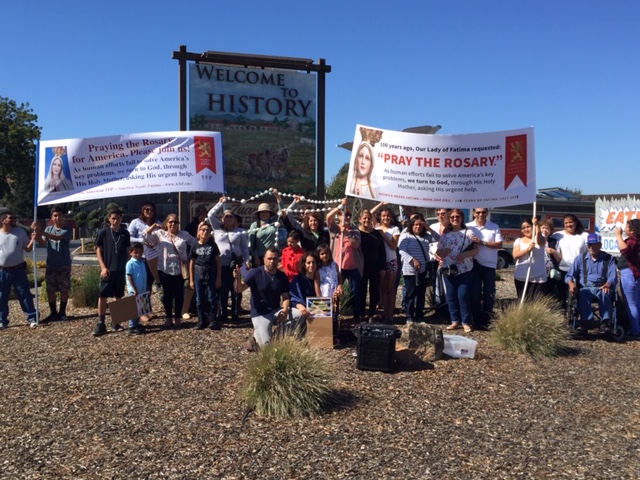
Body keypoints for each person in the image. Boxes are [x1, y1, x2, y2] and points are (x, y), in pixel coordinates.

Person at [233, 247, 303, 351]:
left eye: (274, 259)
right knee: (267, 348)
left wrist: (284, 310)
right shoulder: (255, 273)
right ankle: (257, 338)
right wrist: (237, 278)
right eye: (269, 258)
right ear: (264, 259)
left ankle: (275, 337)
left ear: (278, 260)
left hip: (276, 310)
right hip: (260, 314)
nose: (272, 261)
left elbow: (286, 297)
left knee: (299, 315)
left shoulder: (282, 276)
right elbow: (239, 289)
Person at [143, 213, 198, 329]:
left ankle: (177, 317)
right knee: (167, 294)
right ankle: (168, 317)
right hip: (164, 269)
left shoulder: (184, 235)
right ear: (166, 223)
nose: (173, 224)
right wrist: (153, 226)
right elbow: (145, 236)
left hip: (180, 269)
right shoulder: (161, 234)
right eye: (171, 222)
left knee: (179, 294)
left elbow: (195, 242)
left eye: (175, 222)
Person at [208, 200, 251, 323]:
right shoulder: (217, 228)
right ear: (222, 219)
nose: (228, 218)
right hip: (221, 264)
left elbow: (244, 247)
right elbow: (210, 215)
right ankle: (223, 313)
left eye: (231, 216)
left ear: (234, 219)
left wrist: (247, 260)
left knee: (236, 289)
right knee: (223, 289)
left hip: (236, 264)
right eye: (226, 216)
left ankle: (235, 313)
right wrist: (220, 203)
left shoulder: (240, 231)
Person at [566, 233, 617, 335]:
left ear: (600, 245)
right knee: (584, 293)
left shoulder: (608, 258)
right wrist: (571, 284)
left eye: (594, 244)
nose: (591, 247)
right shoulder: (580, 258)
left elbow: (613, 276)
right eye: (589, 245)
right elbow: (568, 276)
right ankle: (586, 322)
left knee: (605, 292)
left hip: (602, 286)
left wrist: (608, 284)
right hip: (586, 287)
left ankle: (605, 323)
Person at [436, 209, 478, 332]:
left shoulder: (469, 233)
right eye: (453, 217)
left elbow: (476, 250)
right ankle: (455, 321)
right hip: (449, 269)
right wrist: (443, 253)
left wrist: (464, 255)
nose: (455, 219)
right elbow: (438, 251)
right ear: (449, 219)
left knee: (463, 295)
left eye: (457, 216)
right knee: (451, 295)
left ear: (462, 218)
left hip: (465, 269)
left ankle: (466, 322)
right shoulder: (445, 235)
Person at [93, 209, 131, 337]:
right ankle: (101, 322)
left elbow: (127, 251)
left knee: (118, 295)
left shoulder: (125, 233)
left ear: (121, 219)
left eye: (118, 218)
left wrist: (127, 266)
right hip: (108, 269)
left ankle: (116, 321)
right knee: (103, 295)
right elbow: (98, 250)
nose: (116, 221)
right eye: (113, 218)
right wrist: (103, 267)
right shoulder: (103, 233)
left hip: (120, 269)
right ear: (109, 219)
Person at [32, 206, 72, 322]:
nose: (57, 218)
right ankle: (53, 312)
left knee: (64, 289)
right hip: (51, 264)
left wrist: (41, 231)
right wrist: (37, 235)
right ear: (51, 217)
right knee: (50, 289)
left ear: (63, 217)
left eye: (59, 215)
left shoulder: (67, 230)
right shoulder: (48, 229)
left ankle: (62, 312)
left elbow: (57, 238)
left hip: (63, 264)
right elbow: (43, 243)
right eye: (55, 215)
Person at [327, 199, 364, 321]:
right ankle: (335, 316)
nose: (346, 217)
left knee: (355, 292)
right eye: (344, 215)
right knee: (336, 292)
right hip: (338, 267)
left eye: (348, 215)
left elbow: (356, 244)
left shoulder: (355, 230)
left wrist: (347, 234)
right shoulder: (334, 228)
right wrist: (340, 207)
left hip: (353, 266)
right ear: (339, 216)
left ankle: (357, 316)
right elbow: (328, 216)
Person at [0, 209, 37, 329]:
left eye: (15, 218)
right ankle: (2, 320)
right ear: (3, 220)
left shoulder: (20, 232)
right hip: (2, 271)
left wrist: (32, 240)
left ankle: (32, 317)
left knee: (24, 294)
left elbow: (27, 249)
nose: (14, 220)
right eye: (11, 218)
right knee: (1, 296)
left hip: (18, 270)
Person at [467, 207, 503, 329]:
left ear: (487, 213)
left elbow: (499, 244)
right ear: (474, 213)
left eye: (483, 212)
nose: (481, 214)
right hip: (474, 263)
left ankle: (487, 320)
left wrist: (482, 243)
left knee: (489, 293)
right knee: (475, 294)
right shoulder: (468, 226)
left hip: (489, 265)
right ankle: (477, 320)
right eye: (478, 212)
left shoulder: (494, 226)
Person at [399, 217, 439, 323]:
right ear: (411, 225)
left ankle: (419, 315)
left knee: (421, 294)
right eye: (415, 225)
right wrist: (413, 260)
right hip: (410, 270)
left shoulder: (426, 237)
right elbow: (402, 251)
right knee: (410, 294)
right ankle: (409, 316)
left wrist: (428, 228)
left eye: (420, 225)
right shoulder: (406, 236)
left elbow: (439, 238)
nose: (418, 227)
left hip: (423, 270)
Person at [549, 214, 589, 309]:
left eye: (570, 222)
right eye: (566, 223)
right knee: (562, 294)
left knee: (579, 293)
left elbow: (589, 252)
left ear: (575, 223)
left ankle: (578, 315)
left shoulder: (584, 235)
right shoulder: (558, 235)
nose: (568, 225)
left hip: (579, 270)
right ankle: (563, 315)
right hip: (563, 268)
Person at [189, 221, 222, 330]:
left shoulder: (213, 245)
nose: (205, 232)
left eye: (208, 230)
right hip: (198, 272)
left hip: (211, 272)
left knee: (211, 297)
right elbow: (192, 262)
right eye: (203, 230)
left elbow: (218, 261)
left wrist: (218, 278)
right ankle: (201, 320)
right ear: (198, 232)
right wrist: (191, 279)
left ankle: (213, 319)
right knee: (199, 298)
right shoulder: (195, 245)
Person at [371, 203, 401, 321]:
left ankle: (390, 313)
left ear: (391, 217)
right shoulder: (376, 228)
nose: (385, 218)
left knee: (391, 288)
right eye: (383, 216)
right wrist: (380, 204)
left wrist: (383, 236)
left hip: (391, 261)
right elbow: (370, 213)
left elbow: (394, 246)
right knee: (382, 288)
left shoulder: (394, 229)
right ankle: (384, 313)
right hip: (380, 262)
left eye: (388, 216)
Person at [357, 209, 386, 321]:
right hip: (361, 267)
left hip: (375, 266)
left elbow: (382, 251)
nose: (367, 220)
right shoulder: (357, 233)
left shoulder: (377, 234)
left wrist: (383, 267)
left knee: (374, 291)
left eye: (369, 218)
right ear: (360, 219)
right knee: (361, 291)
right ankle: (361, 314)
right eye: (364, 218)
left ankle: (371, 313)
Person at [614, 219, 640, 338]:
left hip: (629, 274)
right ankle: (636, 328)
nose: (624, 228)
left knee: (631, 303)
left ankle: (635, 331)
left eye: (627, 226)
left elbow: (625, 251)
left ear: (632, 230)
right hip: (634, 274)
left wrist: (618, 235)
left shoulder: (633, 240)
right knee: (636, 302)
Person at [512, 217, 547, 300]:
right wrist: (527, 250)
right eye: (523, 228)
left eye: (528, 227)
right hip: (521, 276)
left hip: (538, 277)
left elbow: (540, 241)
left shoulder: (540, 237)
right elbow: (515, 255)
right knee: (523, 301)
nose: (526, 230)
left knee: (535, 303)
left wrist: (537, 225)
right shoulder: (518, 240)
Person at [249, 197, 283, 268]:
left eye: (267, 212)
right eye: (262, 212)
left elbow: (282, 210)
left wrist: (277, 196)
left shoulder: (274, 222)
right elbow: (252, 244)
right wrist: (256, 258)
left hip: (272, 257)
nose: (265, 214)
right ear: (259, 214)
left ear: (270, 213)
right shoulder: (254, 225)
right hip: (259, 258)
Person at [125, 242, 151, 335]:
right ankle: (132, 326)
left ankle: (136, 324)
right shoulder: (130, 263)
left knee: (140, 308)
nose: (138, 254)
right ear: (131, 252)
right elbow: (130, 276)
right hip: (134, 290)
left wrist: (146, 286)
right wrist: (134, 288)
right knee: (134, 309)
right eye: (135, 252)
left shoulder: (143, 262)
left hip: (142, 289)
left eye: (140, 252)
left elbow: (145, 275)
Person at [289, 251, 322, 321]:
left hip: (319, 308)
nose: (311, 265)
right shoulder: (298, 279)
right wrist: (301, 308)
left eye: (314, 262)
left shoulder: (321, 278)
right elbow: (294, 298)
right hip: (303, 309)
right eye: (308, 263)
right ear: (304, 264)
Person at [540, 219, 562, 297]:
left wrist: (553, 251)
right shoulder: (535, 240)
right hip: (537, 272)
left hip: (550, 274)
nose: (545, 230)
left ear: (550, 231)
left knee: (549, 293)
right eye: (543, 228)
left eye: (547, 228)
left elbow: (559, 258)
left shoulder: (554, 242)